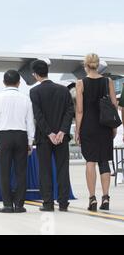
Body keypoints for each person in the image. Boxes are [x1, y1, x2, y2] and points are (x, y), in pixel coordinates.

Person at [29, 60, 75, 212]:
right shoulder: (63, 90)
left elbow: (38, 115)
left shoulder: (34, 92)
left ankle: (48, 203)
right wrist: (62, 131)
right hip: (62, 137)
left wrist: (49, 133)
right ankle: (63, 203)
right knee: (63, 169)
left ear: (35, 75)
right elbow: (70, 111)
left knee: (45, 170)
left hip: (44, 138)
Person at [75, 53, 118, 211]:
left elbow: (79, 110)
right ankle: (105, 198)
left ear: (85, 65)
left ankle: (92, 198)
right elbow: (113, 105)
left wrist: (78, 130)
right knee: (104, 161)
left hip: (88, 126)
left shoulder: (80, 83)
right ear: (98, 64)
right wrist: (113, 128)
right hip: (105, 126)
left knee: (90, 162)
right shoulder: (108, 81)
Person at [0, 70, 35, 213]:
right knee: (21, 172)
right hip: (21, 135)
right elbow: (30, 122)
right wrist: (30, 141)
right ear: (19, 82)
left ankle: (7, 204)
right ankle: (20, 205)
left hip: (4, 136)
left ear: (4, 82)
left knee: (4, 171)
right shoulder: (25, 98)